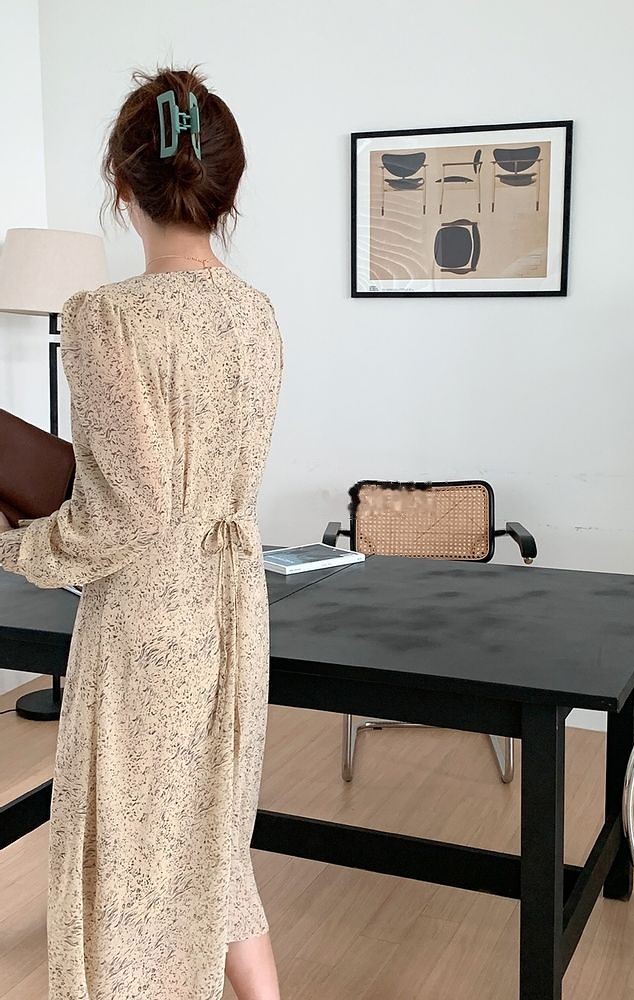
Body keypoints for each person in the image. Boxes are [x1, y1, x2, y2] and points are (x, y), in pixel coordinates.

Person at [0, 63, 284, 1000]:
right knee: (213, 837)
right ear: (226, 184)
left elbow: (128, 513)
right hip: (234, 608)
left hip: (150, 624)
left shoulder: (105, 318)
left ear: (122, 183)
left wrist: (16, 548)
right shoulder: (255, 314)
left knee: (124, 863)